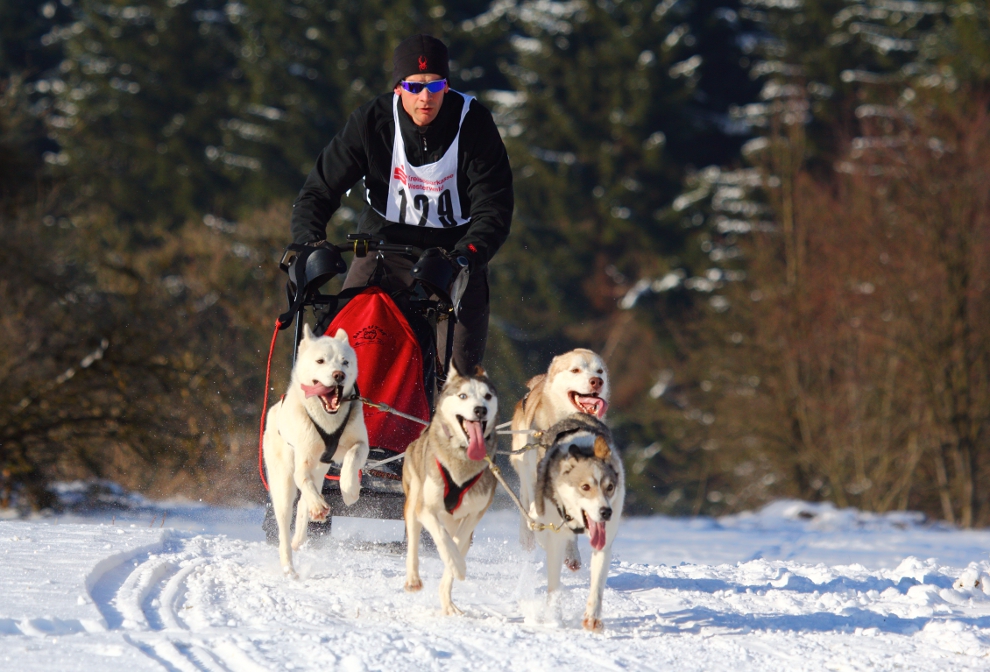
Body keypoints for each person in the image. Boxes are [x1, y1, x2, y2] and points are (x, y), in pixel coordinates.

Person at [290, 34, 513, 373]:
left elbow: (494, 207)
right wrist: (310, 243)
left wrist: (467, 256)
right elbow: (318, 191)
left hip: (453, 256)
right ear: (398, 88)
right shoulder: (371, 122)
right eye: (414, 87)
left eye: (436, 86)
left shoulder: (474, 124)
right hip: (384, 246)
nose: (426, 97)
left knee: (460, 375)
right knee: (341, 345)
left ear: (447, 86)